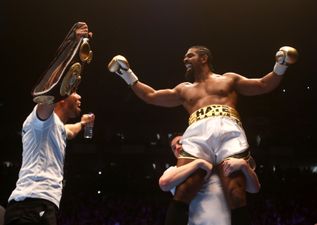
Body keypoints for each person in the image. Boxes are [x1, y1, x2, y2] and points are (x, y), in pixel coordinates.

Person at [107, 45, 297, 225]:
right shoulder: (183, 89)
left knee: (236, 192)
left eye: (190, 55)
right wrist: (127, 74)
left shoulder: (228, 79)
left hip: (229, 130)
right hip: (197, 133)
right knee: (184, 188)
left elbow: (263, 84)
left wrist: (281, 65)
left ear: (204, 58)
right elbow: (151, 96)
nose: (185, 59)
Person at [4, 23, 94, 225]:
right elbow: (46, 93)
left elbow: (69, 132)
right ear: (63, 97)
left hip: (42, 207)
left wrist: (83, 122)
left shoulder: (57, 127)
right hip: (30, 207)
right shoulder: (41, 118)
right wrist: (72, 45)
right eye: (75, 91)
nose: (79, 96)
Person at [159, 134, 260, 225]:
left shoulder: (220, 166)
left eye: (180, 142)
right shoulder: (174, 170)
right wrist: (198, 163)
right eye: (173, 148)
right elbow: (164, 183)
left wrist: (244, 165)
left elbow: (254, 189)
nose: (177, 147)